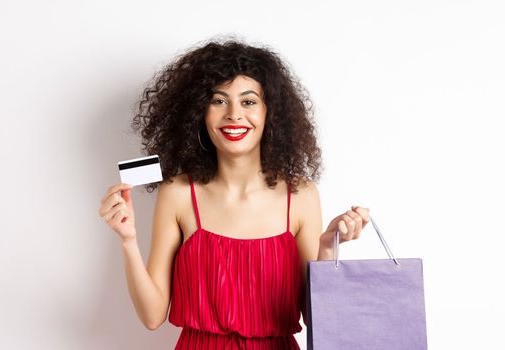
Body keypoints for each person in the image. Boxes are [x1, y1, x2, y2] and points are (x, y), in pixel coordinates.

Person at [99, 38, 370, 350]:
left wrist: (327, 248)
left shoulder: (301, 195)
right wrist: (127, 240)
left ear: (271, 113)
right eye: (219, 101)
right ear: (199, 112)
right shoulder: (177, 193)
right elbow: (152, 316)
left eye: (249, 101)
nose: (234, 115)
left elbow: (317, 319)